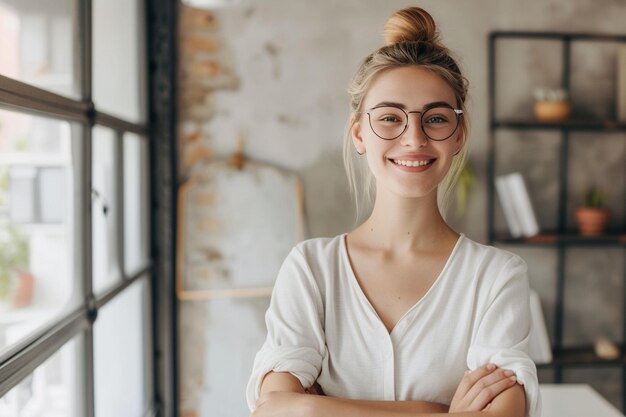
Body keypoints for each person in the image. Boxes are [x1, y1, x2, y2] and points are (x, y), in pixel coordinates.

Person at [246, 6, 540, 417]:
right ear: (359, 133)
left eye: (436, 118)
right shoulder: (311, 268)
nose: (414, 138)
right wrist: (432, 411)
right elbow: (273, 410)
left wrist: (319, 409)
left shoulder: (496, 276)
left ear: (459, 135)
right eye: (390, 118)